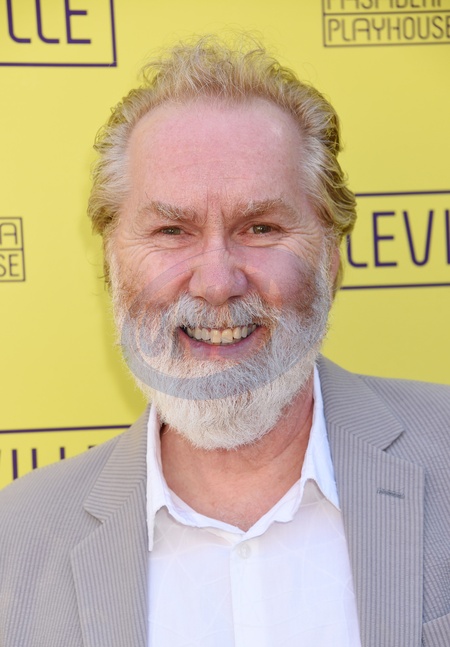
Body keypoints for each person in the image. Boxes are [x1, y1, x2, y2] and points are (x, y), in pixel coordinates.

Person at [0, 34, 449, 647]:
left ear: (331, 256)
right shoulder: (16, 543)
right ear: (111, 262)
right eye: (171, 230)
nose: (216, 282)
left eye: (260, 227)